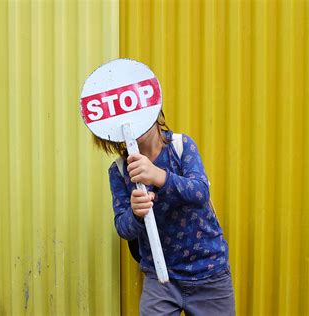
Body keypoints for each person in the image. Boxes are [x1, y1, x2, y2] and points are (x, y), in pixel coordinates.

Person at [94, 112, 235, 315]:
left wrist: (159, 176)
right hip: (160, 278)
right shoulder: (119, 170)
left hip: (209, 273)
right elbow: (123, 229)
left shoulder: (181, 146)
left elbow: (200, 192)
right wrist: (135, 214)